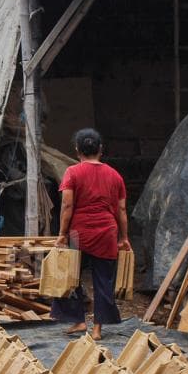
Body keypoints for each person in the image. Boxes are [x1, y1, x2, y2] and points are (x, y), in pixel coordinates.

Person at [52, 128, 131, 340]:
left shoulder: (72, 172)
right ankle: (97, 330)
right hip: (106, 233)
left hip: (79, 233)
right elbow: (121, 210)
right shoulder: (115, 175)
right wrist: (124, 238)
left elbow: (67, 205)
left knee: (70, 276)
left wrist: (62, 233)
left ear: (77, 150)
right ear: (100, 149)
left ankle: (78, 321)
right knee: (103, 280)